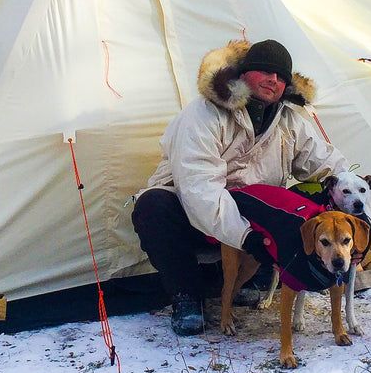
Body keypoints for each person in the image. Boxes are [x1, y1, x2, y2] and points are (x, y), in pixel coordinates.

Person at [132, 38, 352, 335]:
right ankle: (186, 296)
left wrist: (352, 194)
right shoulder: (204, 114)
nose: (272, 80)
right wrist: (245, 236)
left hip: (253, 210)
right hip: (194, 213)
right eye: (264, 71)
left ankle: (239, 284)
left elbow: (322, 160)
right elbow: (199, 189)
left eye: (280, 76)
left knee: (311, 198)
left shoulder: (289, 119)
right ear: (243, 75)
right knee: (152, 207)